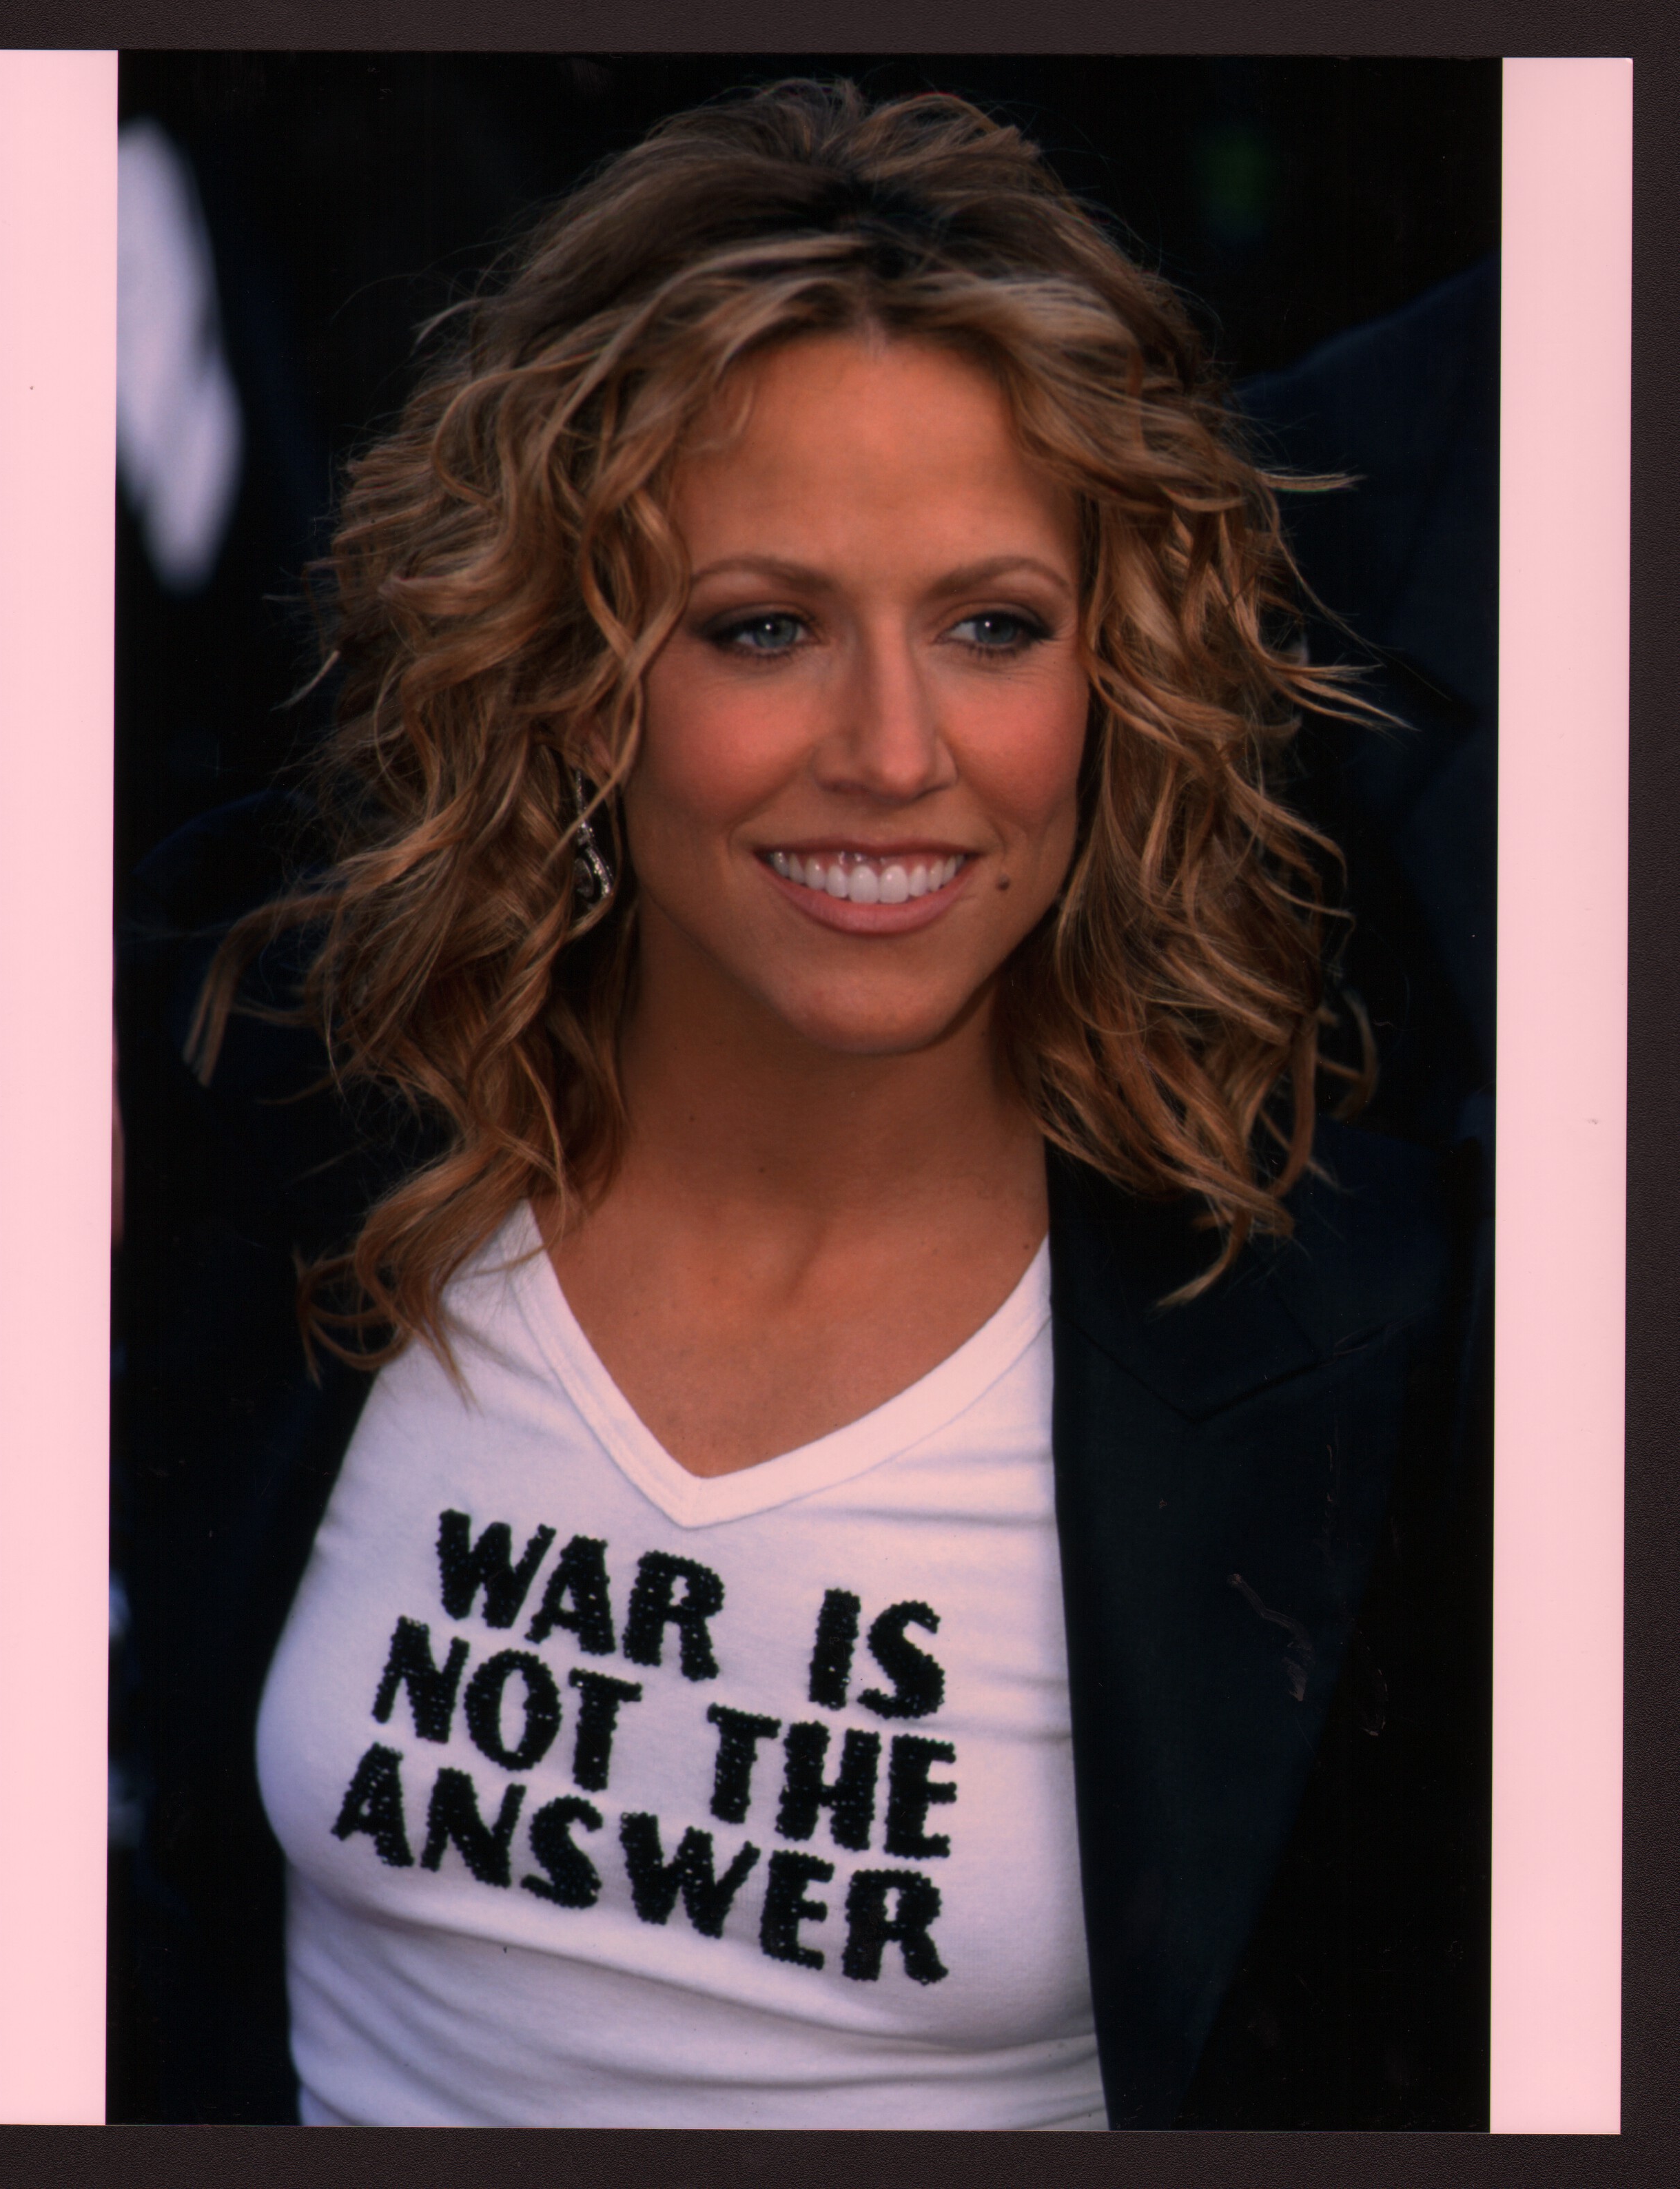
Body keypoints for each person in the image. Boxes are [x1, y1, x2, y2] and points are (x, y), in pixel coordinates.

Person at [114, 80, 1486, 2130]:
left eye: (992, 627)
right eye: (764, 628)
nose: (893, 750)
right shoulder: (278, 1128)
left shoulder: (1355, 1341)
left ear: (1116, 678)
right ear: (573, 670)